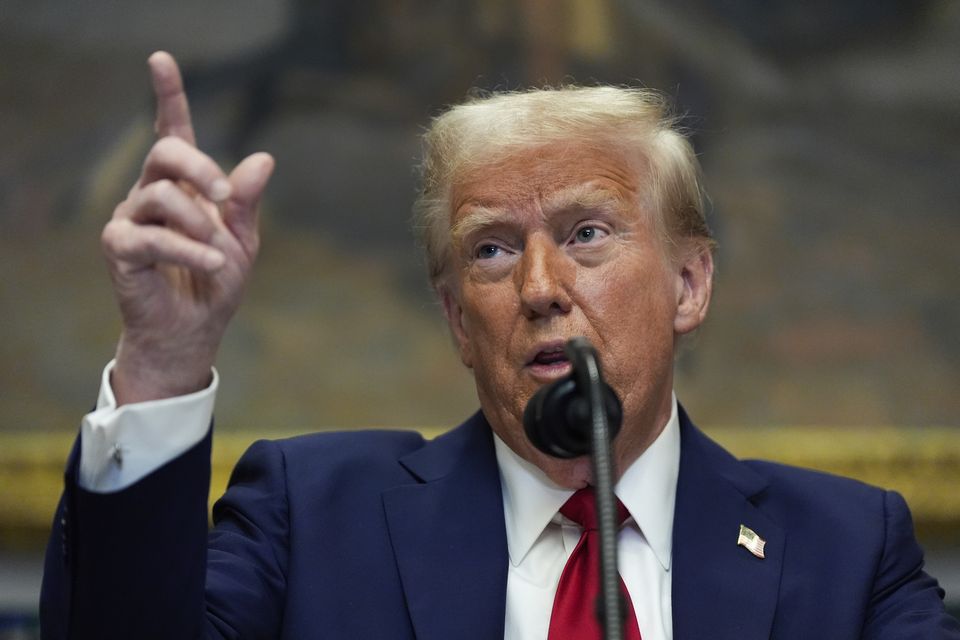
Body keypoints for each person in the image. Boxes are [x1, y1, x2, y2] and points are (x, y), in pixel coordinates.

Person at [40, 51, 958, 640]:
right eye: (492, 248)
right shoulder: (312, 518)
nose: (540, 287)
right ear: (455, 320)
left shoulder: (845, 550)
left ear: (689, 284)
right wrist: (162, 360)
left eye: (589, 233)